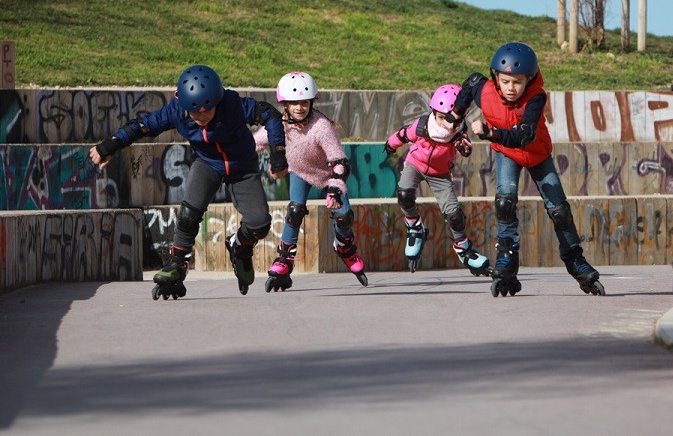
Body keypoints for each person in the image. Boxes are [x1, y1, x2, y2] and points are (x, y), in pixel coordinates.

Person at [89, 64, 288, 299]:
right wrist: (110, 146)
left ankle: (240, 246)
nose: (202, 118)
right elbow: (142, 126)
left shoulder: (233, 104)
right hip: (207, 164)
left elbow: (270, 115)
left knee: (260, 224)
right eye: (196, 114)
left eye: (207, 112)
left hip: (242, 166)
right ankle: (177, 264)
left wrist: (277, 155)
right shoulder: (176, 111)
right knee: (188, 214)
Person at [447, 42, 606, 297]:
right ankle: (507, 258)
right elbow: (471, 82)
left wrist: (490, 133)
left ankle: (576, 261)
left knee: (559, 210)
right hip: (506, 154)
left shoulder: (535, 98)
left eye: (518, 82)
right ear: (496, 78)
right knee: (505, 202)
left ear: (529, 81)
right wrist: (456, 113)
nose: (511, 88)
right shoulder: (487, 92)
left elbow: (524, 135)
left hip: (536, 154)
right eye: (506, 81)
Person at [254, 71, 368, 289]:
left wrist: (334, 189)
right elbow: (254, 143)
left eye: (304, 103)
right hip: (300, 172)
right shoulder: (279, 125)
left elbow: (341, 162)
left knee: (344, 217)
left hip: (327, 174)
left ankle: (344, 247)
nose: (299, 108)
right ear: (285, 104)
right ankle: (284, 259)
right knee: (295, 212)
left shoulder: (321, 126)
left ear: (311, 102)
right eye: (294, 103)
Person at [384, 84, 490, 275]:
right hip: (415, 164)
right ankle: (415, 227)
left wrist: (460, 141)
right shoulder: (423, 125)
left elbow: (467, 149)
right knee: (404, 193)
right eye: (441, 118)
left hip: (440, 174)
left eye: (451, 119)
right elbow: (403, 134)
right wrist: (391, 145)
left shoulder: (458, 132)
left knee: (454, 215)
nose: (445, 124)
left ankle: (463, 248)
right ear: (434, 112)